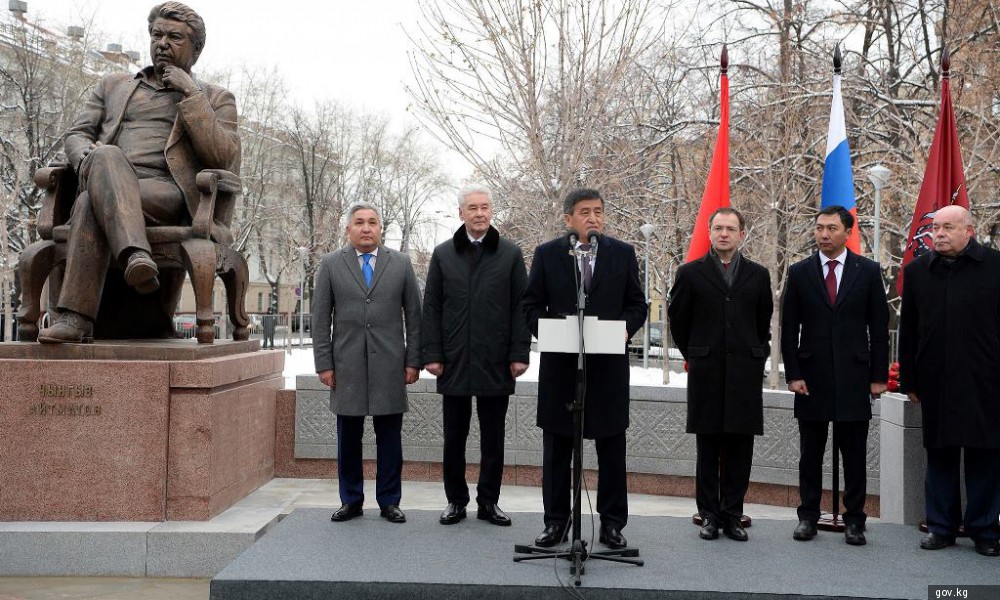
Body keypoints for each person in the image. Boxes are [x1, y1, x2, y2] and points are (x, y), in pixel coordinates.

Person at [38, 2, 240, 343]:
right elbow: (77, 133)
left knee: (91, 200)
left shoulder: (215, 97)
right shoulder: (114, 86)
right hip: (103, 172)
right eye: (156, 34)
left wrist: (190, 94)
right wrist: (85, 155)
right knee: (102, 165)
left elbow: (222, 154)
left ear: (196, 48)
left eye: (174, 37)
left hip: (165, 191)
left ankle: (75, 319)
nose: (162, 43)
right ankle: (135, 256)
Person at [522, 188, 646, 549]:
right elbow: (530, 304)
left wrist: (625, 327)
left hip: (608, 371)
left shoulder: (622, 254)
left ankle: (611, 524)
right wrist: (547, 329)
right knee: (558, 450)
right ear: (568, 219)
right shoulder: (547, 255)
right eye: (584, 212)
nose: (593, 218)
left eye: (598, 212)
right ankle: (556, 522)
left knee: (610, 449)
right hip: (562, 371)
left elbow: (636, 303)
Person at [421, 184, 531, 527]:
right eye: (473, 208)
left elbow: (521, 308)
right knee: (454, 437)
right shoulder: (442, 254)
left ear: (492, 211)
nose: (479, 213)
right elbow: (432, 308)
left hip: (496, 360)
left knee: (493, 437)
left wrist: (519, 353)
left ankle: (489, 502)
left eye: (485, 207)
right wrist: (433, 354)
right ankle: (456, 500)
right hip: (452, 360)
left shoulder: (510, 254)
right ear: (461, 213)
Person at [780, 205, 888, 546]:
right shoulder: (799, 272)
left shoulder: (868, 271)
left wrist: (878, 376)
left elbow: (879, 328)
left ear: (846, 232)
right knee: (810, 453)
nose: (823, 234)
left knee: (854, 453)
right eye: (819, 228)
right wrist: (793, 373)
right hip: (810, 379)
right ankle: (808, 516)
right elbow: (789, 329)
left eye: (831, 228)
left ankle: (855, 519)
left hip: (856, 377)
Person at [898, 205, 1000, 557]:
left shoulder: (995, 266)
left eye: (946, 228)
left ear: (968, 231)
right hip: (935, 381)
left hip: (985, 382)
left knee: (984, 456)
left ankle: (985, 529)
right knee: (939, 455)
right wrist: (908, 379)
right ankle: (941, 526)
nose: (937, 234)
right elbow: (908, 331)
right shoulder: (917, 272)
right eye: (934, 228)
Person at [312, 202, 422, 524]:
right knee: (348, 438)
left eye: (372, 222)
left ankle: (389, 501)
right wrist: (324, 364)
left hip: (391, 365)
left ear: (381, 228)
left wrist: (413, 360)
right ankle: (351, 500)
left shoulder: (400, 264)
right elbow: (321, 320)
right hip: (346, 367)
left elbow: (415, 317)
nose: (366, 228)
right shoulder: (332, 264)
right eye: (359, 222)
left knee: (391, 438)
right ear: (348, 229)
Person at [668, 207, 773, 542]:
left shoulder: (758, 275)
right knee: (708, 447)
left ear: (742, 234)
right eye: (718, 228)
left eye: (731, 228)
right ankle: (709, 514)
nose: (724, 233)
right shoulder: (690, 273)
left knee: (741, 447)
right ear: (710, 232)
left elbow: (762, 322)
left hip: (745, 372)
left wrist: (755, 355)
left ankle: (732, 514)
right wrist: (696, 354)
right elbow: (679, 322)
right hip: (706, 372)